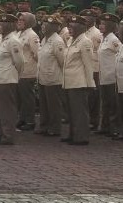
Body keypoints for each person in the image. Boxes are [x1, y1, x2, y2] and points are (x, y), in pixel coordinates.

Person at [62, 15, 95, 145]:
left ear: (80, 28)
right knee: (71, 111)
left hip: (79, 82)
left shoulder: (85, 42)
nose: (69, 29)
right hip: (69, 81)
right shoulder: (71, 41)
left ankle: (81, 137)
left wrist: (89, 83)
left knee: (79, 112)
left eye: (72, 27)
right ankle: (73, 134)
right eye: (69, 26)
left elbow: (88, 65)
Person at [0, 14, 24, 145]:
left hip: (7, 79)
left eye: (2, 24)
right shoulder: (2, 39)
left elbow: (20, 62)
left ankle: (8, 135)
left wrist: (16, 75)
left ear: (9, 25)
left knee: (7, 110)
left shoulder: (13, 41)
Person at [36, 14, 66, 137]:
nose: (43, 27)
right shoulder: (44, 39)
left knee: (54, 105)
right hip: (43, 77)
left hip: (54, 78)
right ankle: (44, 126)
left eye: (46, 25)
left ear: (54, 27)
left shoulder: (57, 41)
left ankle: (55, 128)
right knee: (44, 105)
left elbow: (62, 61)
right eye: (43, 24)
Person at [96, 13, 121, 137]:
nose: (101, 26)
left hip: (112, 77)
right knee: (105, 103)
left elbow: (119, 53)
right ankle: (105, 126)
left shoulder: (113, 39)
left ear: (111, 26)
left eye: (104, 24)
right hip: (103, 76)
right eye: (100, 23)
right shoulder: (103, 38)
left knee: (113, 104)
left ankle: (114, 128)